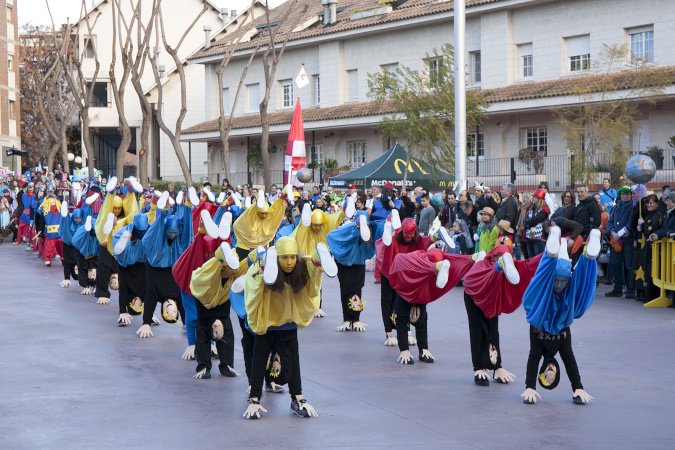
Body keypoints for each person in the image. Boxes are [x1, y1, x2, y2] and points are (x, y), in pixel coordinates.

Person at [242, 236, 335, 419]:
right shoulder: (268, 271)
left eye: (293, 257)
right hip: (268, 325)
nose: (290, 262)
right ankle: (255, 399)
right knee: (259, 361)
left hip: (288, 326)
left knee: (292, 365)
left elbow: (313, 289)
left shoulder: (301, 269)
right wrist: (263, 269)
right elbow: (252, 290)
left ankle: (297, 399)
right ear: (276, 258)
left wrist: (316, 265)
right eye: (284, 257)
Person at [520, 226, 600, 405]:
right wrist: (578, 387)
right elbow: (569, 360)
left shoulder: (555, 286)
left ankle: (550, 254)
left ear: (544, 370)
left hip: (542, 317)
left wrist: (530, 386)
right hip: (561, 320)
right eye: (552, 375)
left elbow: (534, 358)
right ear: (555, 370)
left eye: (546, 375)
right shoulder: (566, 288)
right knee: (577, 290)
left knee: (542, 281)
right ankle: (588, 257)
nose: (559, 285)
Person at [388, 246, 474, 364]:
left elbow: (454, 260)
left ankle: (423, 349)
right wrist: (404, 349)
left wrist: (470, 259)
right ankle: (404, 350)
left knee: (421, 319)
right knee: (402, 318)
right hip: (404, 288)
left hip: (423, 288)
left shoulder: (435, 260)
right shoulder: (412, 260)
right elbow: (398, 261)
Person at [190, 242, 254, 379]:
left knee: (226, 333)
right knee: (203, 334)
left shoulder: (233, 273)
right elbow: (199, 281)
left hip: (223, 305)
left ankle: (226, 365)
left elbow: (242, 268)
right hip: (205, 305)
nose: (234, 271)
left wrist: (253, 257)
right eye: (231, 267)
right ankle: (203, 366)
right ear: (223, 266)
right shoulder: (209, 272)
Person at [137, 192, 192, 338]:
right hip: (168, 263)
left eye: (168, 313)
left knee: (157, 236)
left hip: (157, 263)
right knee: (184, 239)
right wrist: (188, 325)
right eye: (173, 313)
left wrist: (146, 323)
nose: (171, 310)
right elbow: (184, 306)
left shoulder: (156, 293)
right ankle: (186, 206)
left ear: (163, 310)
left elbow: (149, 299)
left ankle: (162, 212)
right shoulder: (177, 295)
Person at [326, 211, 375, 332]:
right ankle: (347, 319)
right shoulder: (349, 227)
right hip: (344, 262)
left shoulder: (370, 229)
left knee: (357, 289)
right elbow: (331, 236)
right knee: (345, 289)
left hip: (358, 262)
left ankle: (356, 319)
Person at [112, 213, 150, 326]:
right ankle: (122, 313)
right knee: (124, 288)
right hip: (126, 265)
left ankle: (149, 315)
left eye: (144, 231)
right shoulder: (126, 231)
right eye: (140, 231)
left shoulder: (151, 230)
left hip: (142, 264)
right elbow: (116, 244)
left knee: (146, 288)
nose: (142, 233)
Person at [605, 185, 636, 299]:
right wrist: (613, 232)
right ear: (620, 195)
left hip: (627, 240)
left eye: (627, 194)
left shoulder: (633, 207)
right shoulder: (616, 207)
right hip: (616, 241)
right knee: (616, 264)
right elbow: (609, 222)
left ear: (631, 195)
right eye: (623, 194)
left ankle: (630, 289)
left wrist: (620, 234)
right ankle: (617, 289)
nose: (625, 196)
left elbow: (631, 223)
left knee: (629, 265)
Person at [632, 194, 663, 303]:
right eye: (647, 204)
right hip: (645, 249)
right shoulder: (649, 214)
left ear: (656, 204)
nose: (649, 205)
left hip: (652, 249)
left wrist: (643, 224)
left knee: (651, 271)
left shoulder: (657, 215)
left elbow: (652, 230)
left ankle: (650, 295)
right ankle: (643, 293)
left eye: (652, 203)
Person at [522, 189, 550, 258]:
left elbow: (535, 221)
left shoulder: (544, 209)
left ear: (539, 198)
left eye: (534, 197)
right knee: (531, 259)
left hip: (539, 239)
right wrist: (529, 223)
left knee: (538, 259)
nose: (533, 198)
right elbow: (525, 221)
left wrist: (529, 222)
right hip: (529, 237)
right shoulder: (531, 208)